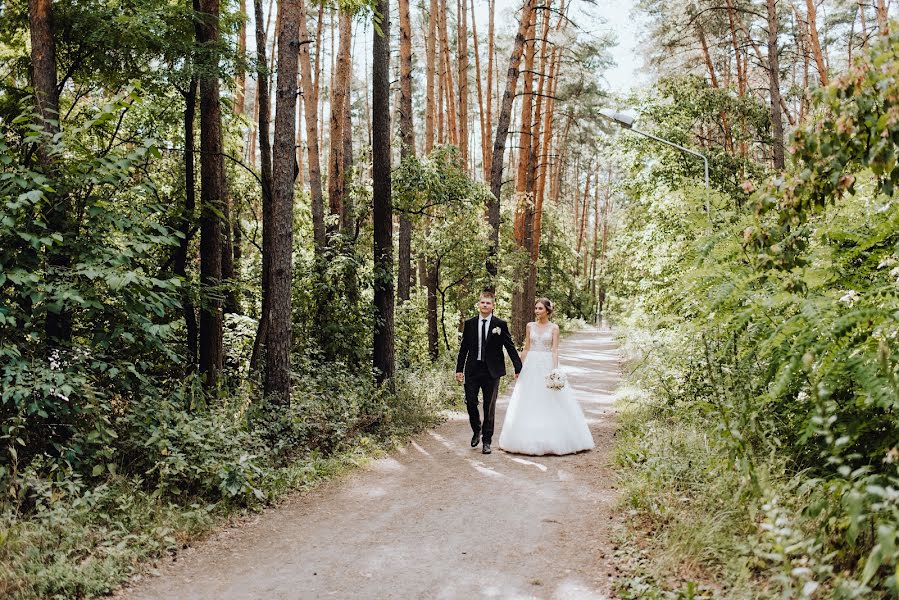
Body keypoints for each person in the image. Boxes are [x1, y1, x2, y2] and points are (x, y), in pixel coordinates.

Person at [498, 298, 594, 456]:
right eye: (536, 308)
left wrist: (554, 370)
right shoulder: (530, 326)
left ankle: (556, 438)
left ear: (547, 311)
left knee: (550, 399)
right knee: (528, 399)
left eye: (540, 308)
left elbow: (555, 349)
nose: (537, 311)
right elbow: (527, 347)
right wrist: (519, 367)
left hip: (547, 363)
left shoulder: (554, 328)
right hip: (531, 364)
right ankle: (524, 437)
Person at [455, 291, 522, 454]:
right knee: (470, 402)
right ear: (479, 304)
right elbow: (464, 348)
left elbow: (510, 346)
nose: (485, 305)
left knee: (489, 406)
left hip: (492, 371)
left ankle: (487, 441)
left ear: (493, 306)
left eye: (488, 303)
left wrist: (518, 367)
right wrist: (459, 369)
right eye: (482, 302)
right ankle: (476, 429)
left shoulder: (500, 324)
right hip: (472, 370)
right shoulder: (469, 324)